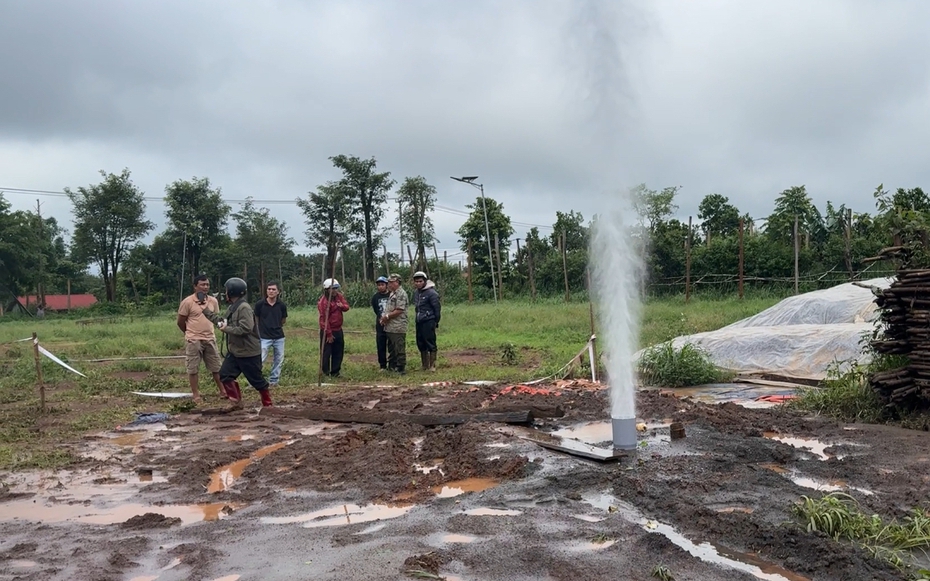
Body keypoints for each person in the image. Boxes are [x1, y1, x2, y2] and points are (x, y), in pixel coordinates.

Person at [202, 277, 273, 408]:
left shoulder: (244, 308)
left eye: (227, 290)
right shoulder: (233, 307)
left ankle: (268, 405)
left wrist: (226, 329)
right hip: (235, 351)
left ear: (232, 292)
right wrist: (206, 311)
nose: (225, 293)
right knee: (225, 375)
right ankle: (235, 402)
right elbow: (223, 321)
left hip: (248, 352)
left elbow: (245, 328)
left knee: (257, 381)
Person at [176, 275, 225, 402]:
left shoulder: (213, 301)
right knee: (193, 368)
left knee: (216, 367)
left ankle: (223, 391)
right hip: (193, 339)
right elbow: (180, 321)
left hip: (209, 338)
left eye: (207, 285)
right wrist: (188, 333)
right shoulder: (187, 302)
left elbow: (215, 318)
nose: (205, 287)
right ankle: (196, 394)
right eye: (202, 284)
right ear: (195, 286)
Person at [254, 281, 287, 387]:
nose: (271, 291)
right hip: (264, 336)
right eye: (269, 289)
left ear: (278, 292)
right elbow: (256, 319)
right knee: (260, 359)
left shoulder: (281, 305)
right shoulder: (260, 304)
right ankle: (256, 380)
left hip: (279, 336)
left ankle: (274, 381)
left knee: (279, 359)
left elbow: (283, 320)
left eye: (273, 289)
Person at [318, 278, 350, 377]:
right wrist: (329, 334)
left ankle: (335, 371)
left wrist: (342, 306)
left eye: (336, 288)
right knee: (326, 353)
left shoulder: (339, 297)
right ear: (327, 289)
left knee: (338, 351)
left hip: (338, 329)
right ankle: (325, 372)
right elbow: (324, 320)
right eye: (332, 288)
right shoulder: (323, 302)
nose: (335, 290)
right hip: (328, 330)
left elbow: (346, 307)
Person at [412, 271, 441, 372]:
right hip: (419, 321)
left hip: (429, 320)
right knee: (420, 343)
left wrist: (435, 321)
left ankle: (432, 365)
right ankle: (424, 365)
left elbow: (437, 309)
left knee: (430, 342)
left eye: (420, 281)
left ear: (425, 281)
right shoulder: (416, 293)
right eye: (416, 282)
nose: (418, 283)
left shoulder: (432, 293)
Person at [379, 273, 408, 374]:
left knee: (399, 347)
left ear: (398, 282)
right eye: (389, 282)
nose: (389, 284)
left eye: (392, 282)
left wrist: (387, 316)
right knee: (391, 348)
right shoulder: (392, 293)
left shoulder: (401, 294)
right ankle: (392, 366)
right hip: (390, 326)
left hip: (398, 326)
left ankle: (401, 367)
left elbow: (399, 310)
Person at [371, 276, 390, 371]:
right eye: (378, 285)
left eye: (382, 284)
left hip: (391, 324)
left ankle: (392, 364)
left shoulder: (392, 295)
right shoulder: (375, 297)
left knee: (392, 344)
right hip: (380, 325)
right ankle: (382, 365)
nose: (380, 287)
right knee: (381, 345)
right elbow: (376, 310)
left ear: (387, 285)